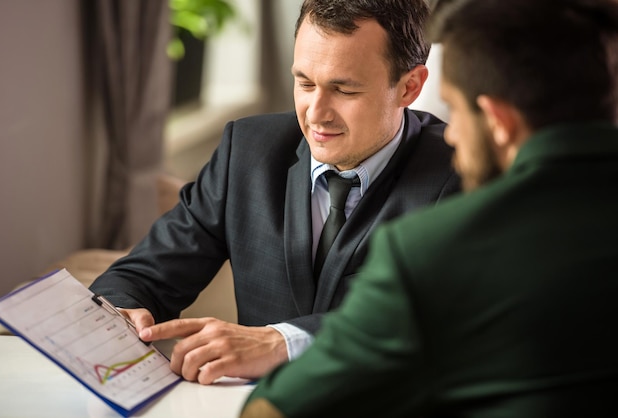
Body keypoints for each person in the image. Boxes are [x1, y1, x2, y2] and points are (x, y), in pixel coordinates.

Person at [239, 0, 618, 416]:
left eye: (454, 109)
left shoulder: (436, 250)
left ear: (497, 121)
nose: (450, 134)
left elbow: (275, 409)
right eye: (305, 83)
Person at [89, 0, 459, 385]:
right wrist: (123, 309)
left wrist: (285, 343)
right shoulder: (246, 151)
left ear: (409, 87)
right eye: (304, 83)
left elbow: (444, 322)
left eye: (344, 89)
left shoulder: (464, 175)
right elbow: (143, 275)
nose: (316, 113)